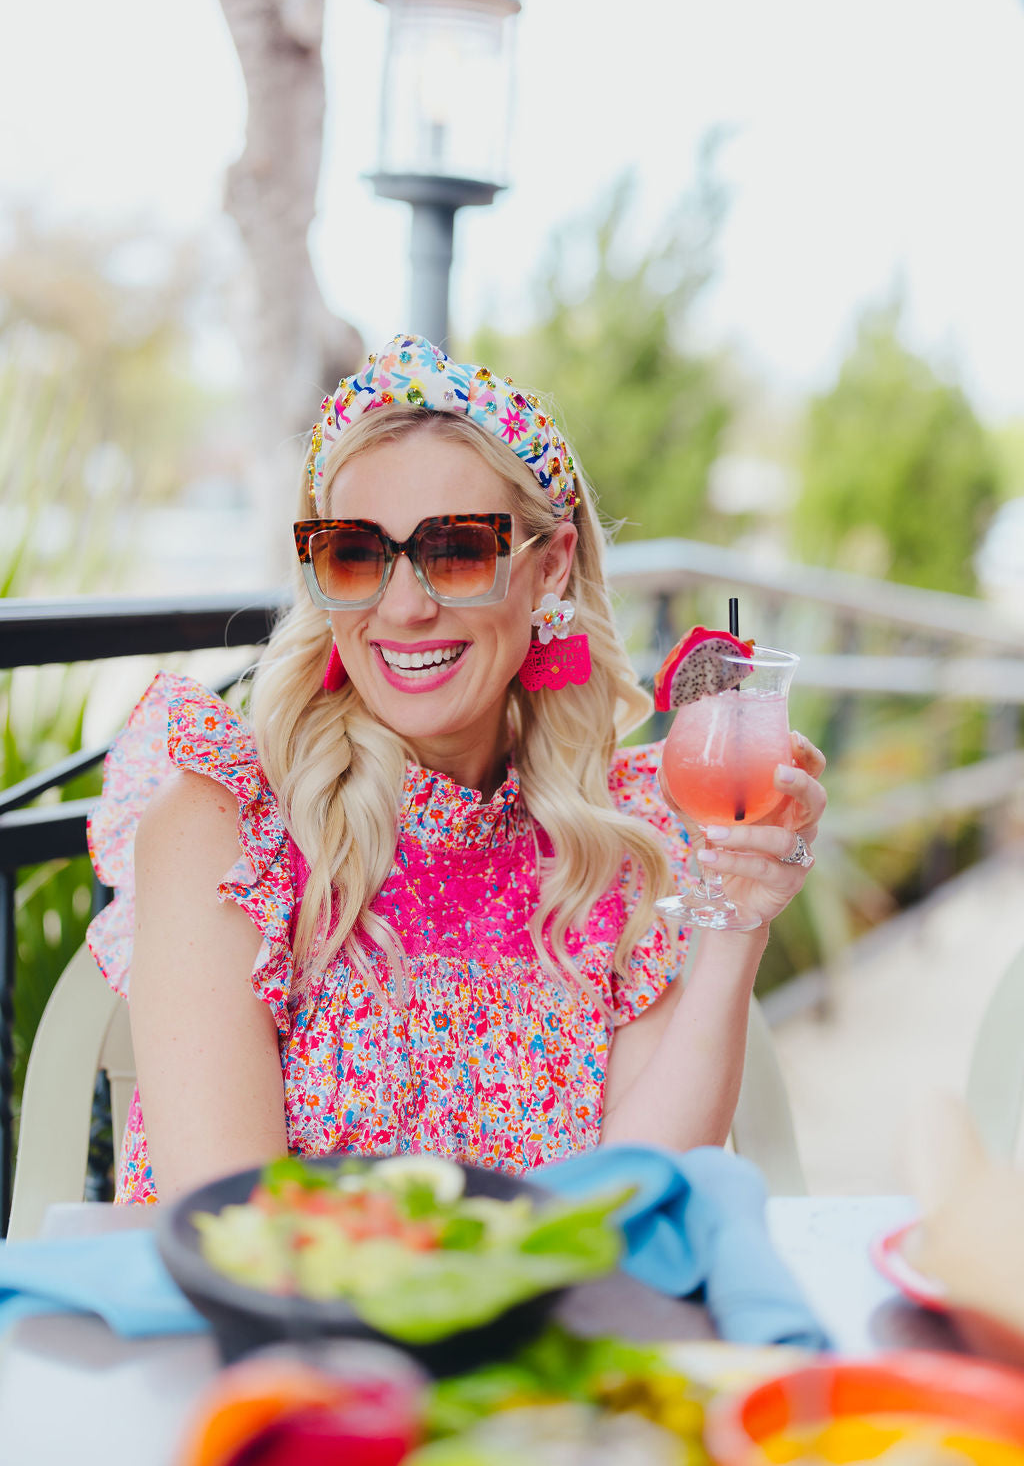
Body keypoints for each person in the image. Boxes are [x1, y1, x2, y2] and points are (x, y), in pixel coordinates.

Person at [87, 333, 826, 1205]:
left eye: (459, 551)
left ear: (548, 567)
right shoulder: (227, 825)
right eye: (356, 555)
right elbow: (233, 1223)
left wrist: (736, 927)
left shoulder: (622, 845)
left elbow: (636, 1195)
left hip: (546, 1328)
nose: (404, 605)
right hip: (277, 1334)